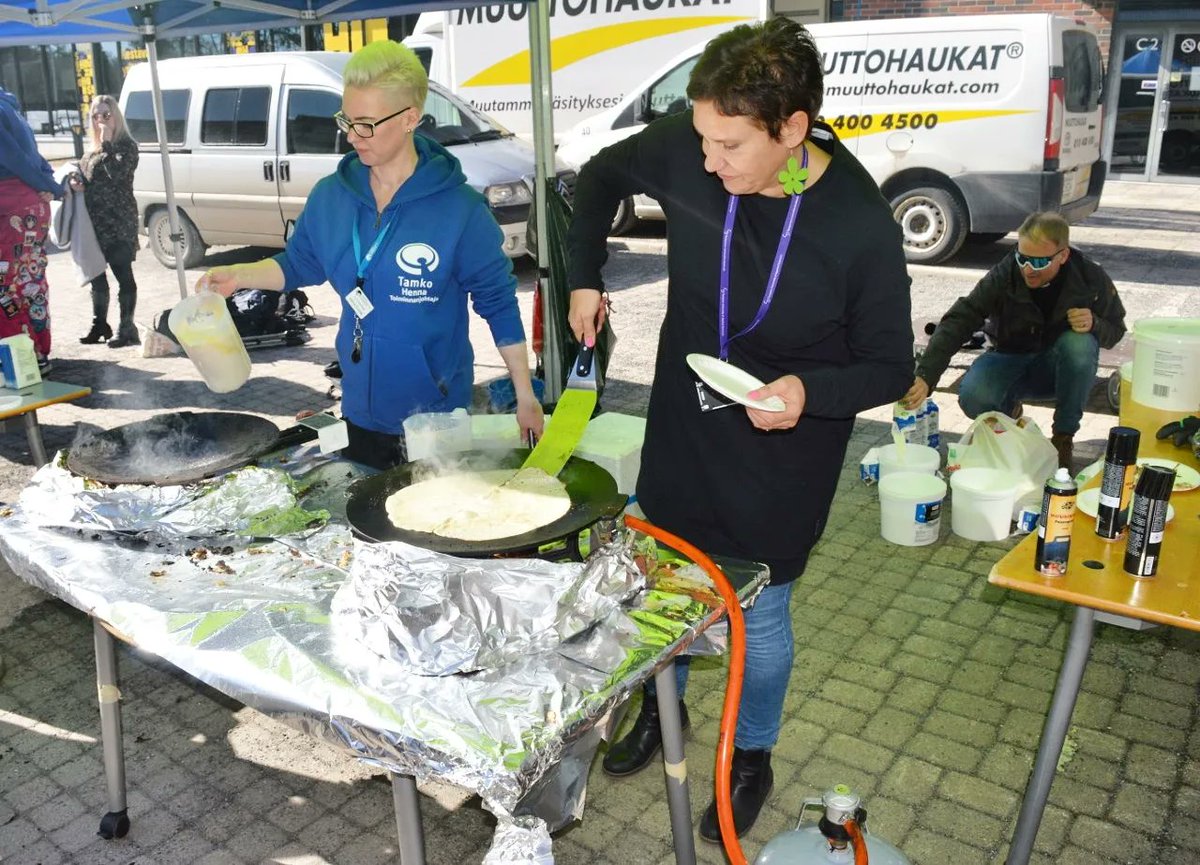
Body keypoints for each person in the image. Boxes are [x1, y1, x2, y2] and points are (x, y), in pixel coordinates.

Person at [567, 19, 912, 842]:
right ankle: (664, 709)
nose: (708, 161)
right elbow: (595, 178)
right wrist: (583, 277)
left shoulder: (857, 226)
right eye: (702, 139)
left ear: (792, 129)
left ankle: (751, 752)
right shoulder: (695, 146)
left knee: (762, 617)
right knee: (665, 584)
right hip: (684, 430)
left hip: (783, 453)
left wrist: (808, 389)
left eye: (729, 145)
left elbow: (889, 366)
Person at [201, 41, 542, 469]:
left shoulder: (459, 210)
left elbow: (498, 302)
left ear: (410, 119)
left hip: (433, 419)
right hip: (359, 410)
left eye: (365, 124)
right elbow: (300, 263)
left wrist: (525, 395)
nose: (350, 136)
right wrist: (238, 274)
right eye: (346, 120)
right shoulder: (332, 196)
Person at [903, 211, 1127, 469]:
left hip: (1058, 371)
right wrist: (927, 375)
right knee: (974, 395)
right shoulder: (1007, 271)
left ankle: (1063, 439)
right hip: (1010, 357)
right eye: (1023, 258)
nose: (1028, 270)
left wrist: (1095, 323)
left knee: (1080, 343)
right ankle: (1009, 418)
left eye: (1040, 262)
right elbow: (963, 316)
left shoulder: (1089, 277)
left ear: (1063, 256)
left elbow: (1116, 329)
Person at [71, 94, 142, 348]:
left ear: (116, 117)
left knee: (123, 273)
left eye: (106, 115)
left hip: (118, 222)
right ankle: (99, 323)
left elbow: (118, 173)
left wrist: (108, 142)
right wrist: (74, 181)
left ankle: (127, 327)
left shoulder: (127, 146)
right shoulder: (90, 149)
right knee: (96, 275)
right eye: (95, 115)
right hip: (93, 223)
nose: (100, 120)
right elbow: (84, 173)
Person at [0, 86, 62, 369]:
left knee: (5, 286)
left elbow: (13, 157)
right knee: (30, 281)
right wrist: (46, 183)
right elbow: (31, 156)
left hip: (12, 204)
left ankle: (21, 360)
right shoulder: (10, 106)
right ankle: (37, 355)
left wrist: (46, 184)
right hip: (29, 205)